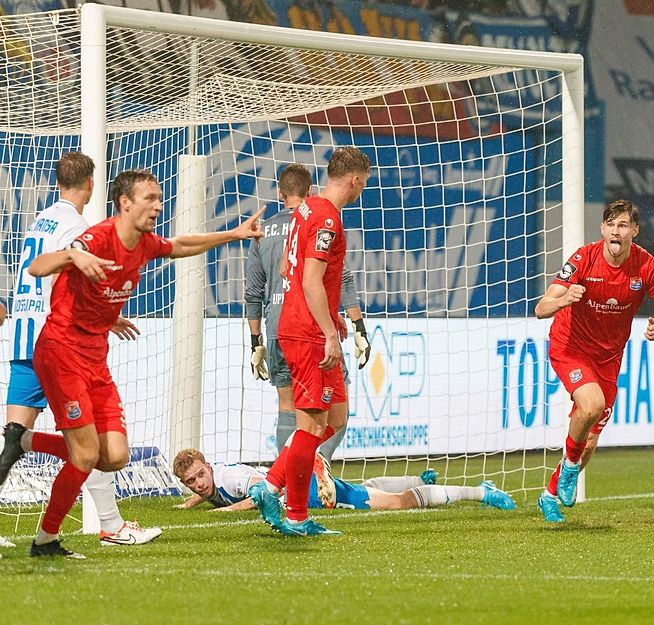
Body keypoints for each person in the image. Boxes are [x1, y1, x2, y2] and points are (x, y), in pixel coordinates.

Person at [0, 168, 263, 559]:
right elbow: (37, 268)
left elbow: (181, 244)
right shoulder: (96, 237)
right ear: (125, 203)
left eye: (159, 198)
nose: (158, 205)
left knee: (116, 456)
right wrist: (74, 253)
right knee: (86, 455)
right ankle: (46, 540)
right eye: (150, 199)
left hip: (95, 358)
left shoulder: (143, 243)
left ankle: (26, 440)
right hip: (61, 353)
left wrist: (233, 234)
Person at [0, 153, 161, 551]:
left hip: (23, 335)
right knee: (92, 441)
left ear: (57, 181)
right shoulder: (78, 226)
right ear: (92, 183)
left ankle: (27, 445)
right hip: (57, 340)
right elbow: (60, 278)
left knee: (15, 442)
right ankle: (110, 525)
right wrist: (99, 318)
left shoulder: (42, 220)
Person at [248, 146, 370, 537]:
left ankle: (269, 487)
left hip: (304, 323)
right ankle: (293, 512)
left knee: (335, 418)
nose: (362, 190)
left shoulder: (304, 210)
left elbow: (287, 265)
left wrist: (326, 315)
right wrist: (330, 332)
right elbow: (309, 279)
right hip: (307, 334)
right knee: (312, 426)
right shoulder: (327, 219)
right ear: (354, 180)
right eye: (363, 183)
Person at [534, 199, 654, 523]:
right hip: (570, 347)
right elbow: (541, 308)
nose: (616, 231)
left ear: (634, 231)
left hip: (609, 357)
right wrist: (563, 299)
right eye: (611, 225)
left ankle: (550, 493)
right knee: (591, 405)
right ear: (602, 229)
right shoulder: (583, 258)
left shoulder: (648, 267)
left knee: (589, 442)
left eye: (623, 225)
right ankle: (569, 469)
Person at [171, 448, 514, 513]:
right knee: (367, 487)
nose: (200, 483)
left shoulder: (230, 477)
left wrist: (227, 512)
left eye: (201, 475)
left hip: (302, 494)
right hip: (300, 486)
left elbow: (259, 495)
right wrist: (192, 500)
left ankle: (480, 491)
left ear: (210, 466)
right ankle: (415, 476)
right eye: (192, 482)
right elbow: (211, 491)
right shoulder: (211, 483)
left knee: (397, 504)